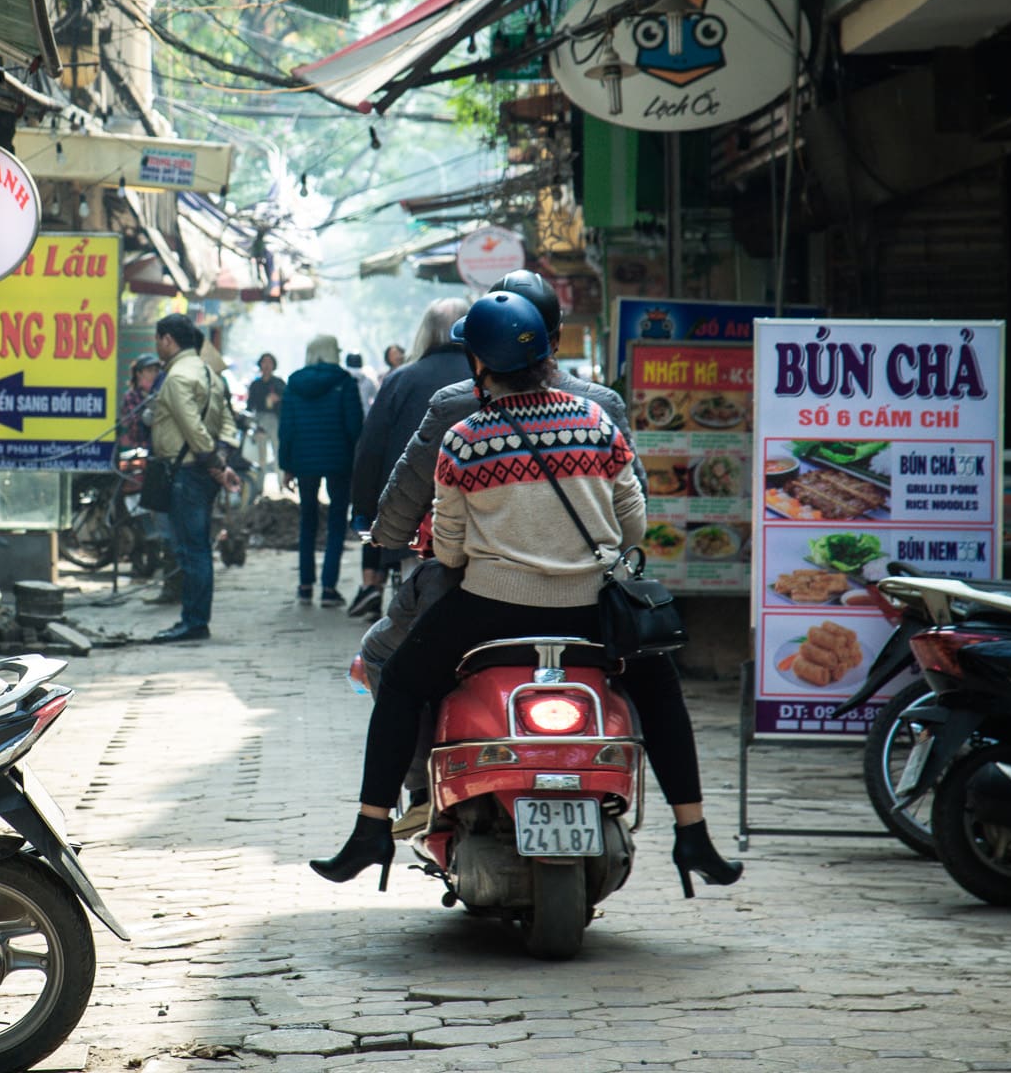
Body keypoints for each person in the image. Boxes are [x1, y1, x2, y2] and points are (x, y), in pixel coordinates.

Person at [310, 293, 741, 897]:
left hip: (488, 611)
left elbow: (452, 550)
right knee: (660, 688)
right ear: (546, 353)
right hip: (593, 610)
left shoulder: (464, 439)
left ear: (479, 365)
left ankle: (370, 829)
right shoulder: (597, 422)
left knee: (403, 682)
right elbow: (633, 523)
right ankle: (693, 833)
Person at [345, 298, 471, 620]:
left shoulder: (401, 380)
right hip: (484, 522)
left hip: (414, 524)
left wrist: (363, 512)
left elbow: (370, 450)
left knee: (415, 616)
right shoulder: (493, 380)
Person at [148, 313, 242, 644]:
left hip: (187, 472)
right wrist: (222, 459)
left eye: (158, 340)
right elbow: (229, 425)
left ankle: (194, 621)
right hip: (202, 473)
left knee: (192, 551)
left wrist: (214, 463)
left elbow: (192, 427)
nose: (157, 346)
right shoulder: (211, 375)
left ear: (168, 340)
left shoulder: (176, 377)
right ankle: (195, 618)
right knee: (198, 548)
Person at [277, 334, 364, 607]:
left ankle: (304, 586)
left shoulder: (294, 383)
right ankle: (328, 588)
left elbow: (286, 429)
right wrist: (357, 461)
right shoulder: (345, 382)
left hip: (303, 461)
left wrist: (286, 466)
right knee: (337, 522)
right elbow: (355, 426)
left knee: (307, 521)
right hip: (339, 461)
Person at [244, 353, 285, 480]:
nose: (266, 365)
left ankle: (281, 482)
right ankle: (260, 484)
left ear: (273, 365)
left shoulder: (279, 383)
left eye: (269, 362)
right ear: (260, 364)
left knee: (278, 451)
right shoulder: (255, 384)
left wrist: (278, 400)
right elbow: (250, 407)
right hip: (260, 421)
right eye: (264, 362)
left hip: (275, 421)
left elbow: (288, 400)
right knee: (260, 454)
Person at [119, 352, 163, 450]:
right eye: (149, 371)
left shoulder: (161, 395)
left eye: (156, 371)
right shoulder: (131, 397)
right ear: (138, 373)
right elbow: (134, 429)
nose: (154, 374)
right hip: (138, 452)